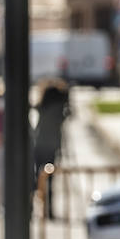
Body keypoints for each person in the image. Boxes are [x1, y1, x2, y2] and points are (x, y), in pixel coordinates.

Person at [32, 79, 70, 219]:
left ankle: (33, 207)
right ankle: (49, 210)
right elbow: (69, 112)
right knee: (49, 179)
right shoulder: (59, 108)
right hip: (52, 147)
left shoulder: (43, 105)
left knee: (38, 177)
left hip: (39, 145)